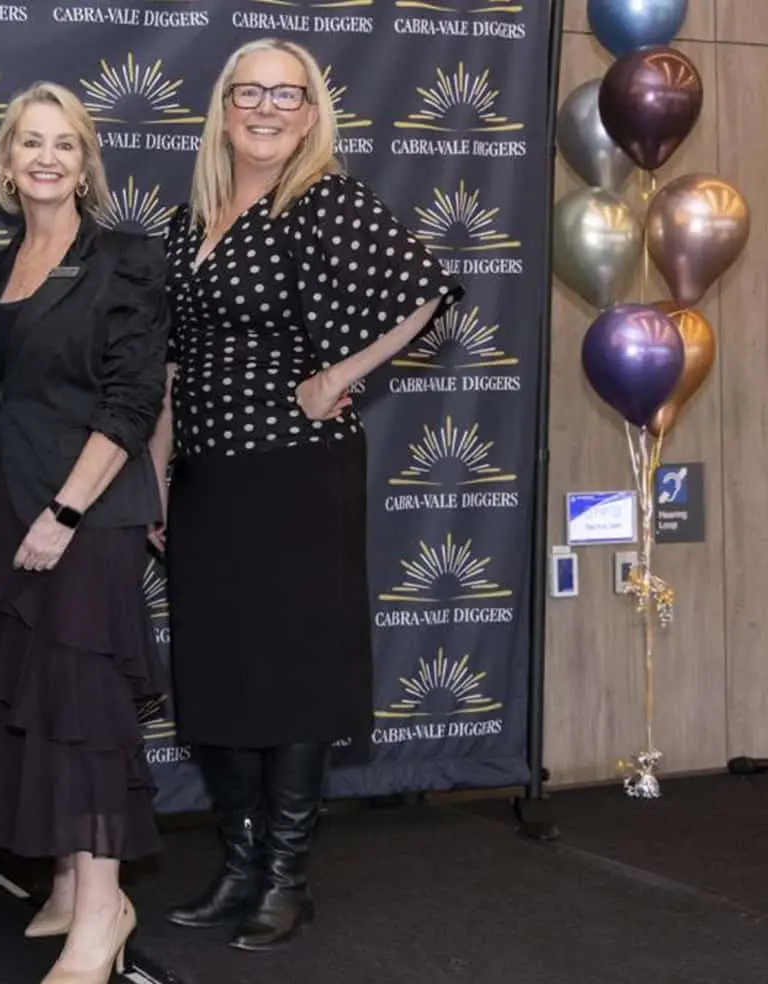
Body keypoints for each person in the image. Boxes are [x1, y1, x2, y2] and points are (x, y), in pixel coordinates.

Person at [147, 37, 463, 952]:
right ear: (224, 106)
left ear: (312, 110)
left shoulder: (322, 199)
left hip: (295, 474)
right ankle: (240, 866)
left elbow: (427, 290)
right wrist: (162, 471)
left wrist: (338, 376)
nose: (267, 108)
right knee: (217, 677)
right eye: (250, 92)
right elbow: (173, 366)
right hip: (207, 476)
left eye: (287, 94)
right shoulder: (187, 221)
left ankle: (288, 877)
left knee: (291, 675)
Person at [0, 82, 169, 984]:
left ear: (85, 162)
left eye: (64, 144)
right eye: (29, 143)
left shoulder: (126, 260)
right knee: (32, 707)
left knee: (84, 714)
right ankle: (74, 884)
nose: (45, 157)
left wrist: (67, 511)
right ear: (5, 163)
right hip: (6, 518)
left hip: (87, 517)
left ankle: (106, 905)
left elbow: (130, 401)